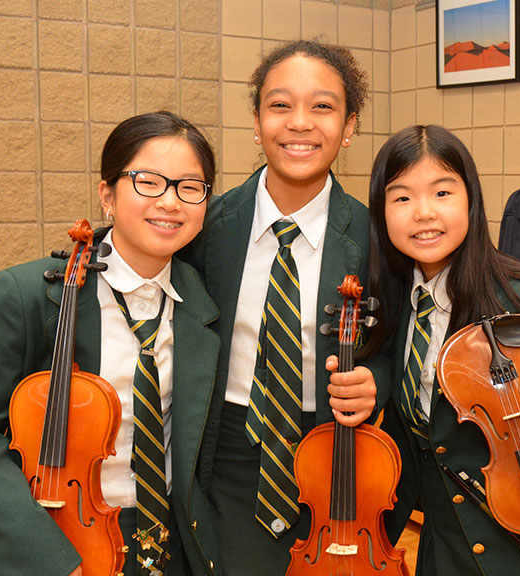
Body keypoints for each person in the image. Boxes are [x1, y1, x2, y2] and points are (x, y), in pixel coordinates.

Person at [0, 112, 221, 576]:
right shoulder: (29, 294)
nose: (170, 201)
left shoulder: (204, 302)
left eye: (191, 187)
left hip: (168, 539)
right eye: (148, 181)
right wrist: (46, 561)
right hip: (47, 534)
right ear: (107, 195)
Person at [178, 40, 393, 575]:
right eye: (280, 105)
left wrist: (376, 383)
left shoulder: (376, 238)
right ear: (256, 122)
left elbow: (398, 345)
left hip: (335, 459)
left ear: (349, 127)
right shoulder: (205, 228)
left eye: (322, 106)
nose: (300, 123)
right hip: (226, 452)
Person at [363, 125, 520, 576]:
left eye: (443, 193)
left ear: (471, 199)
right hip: (443, 546)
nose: (424, 213)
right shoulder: (393, 301)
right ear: (381, 211)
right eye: (402, 197)